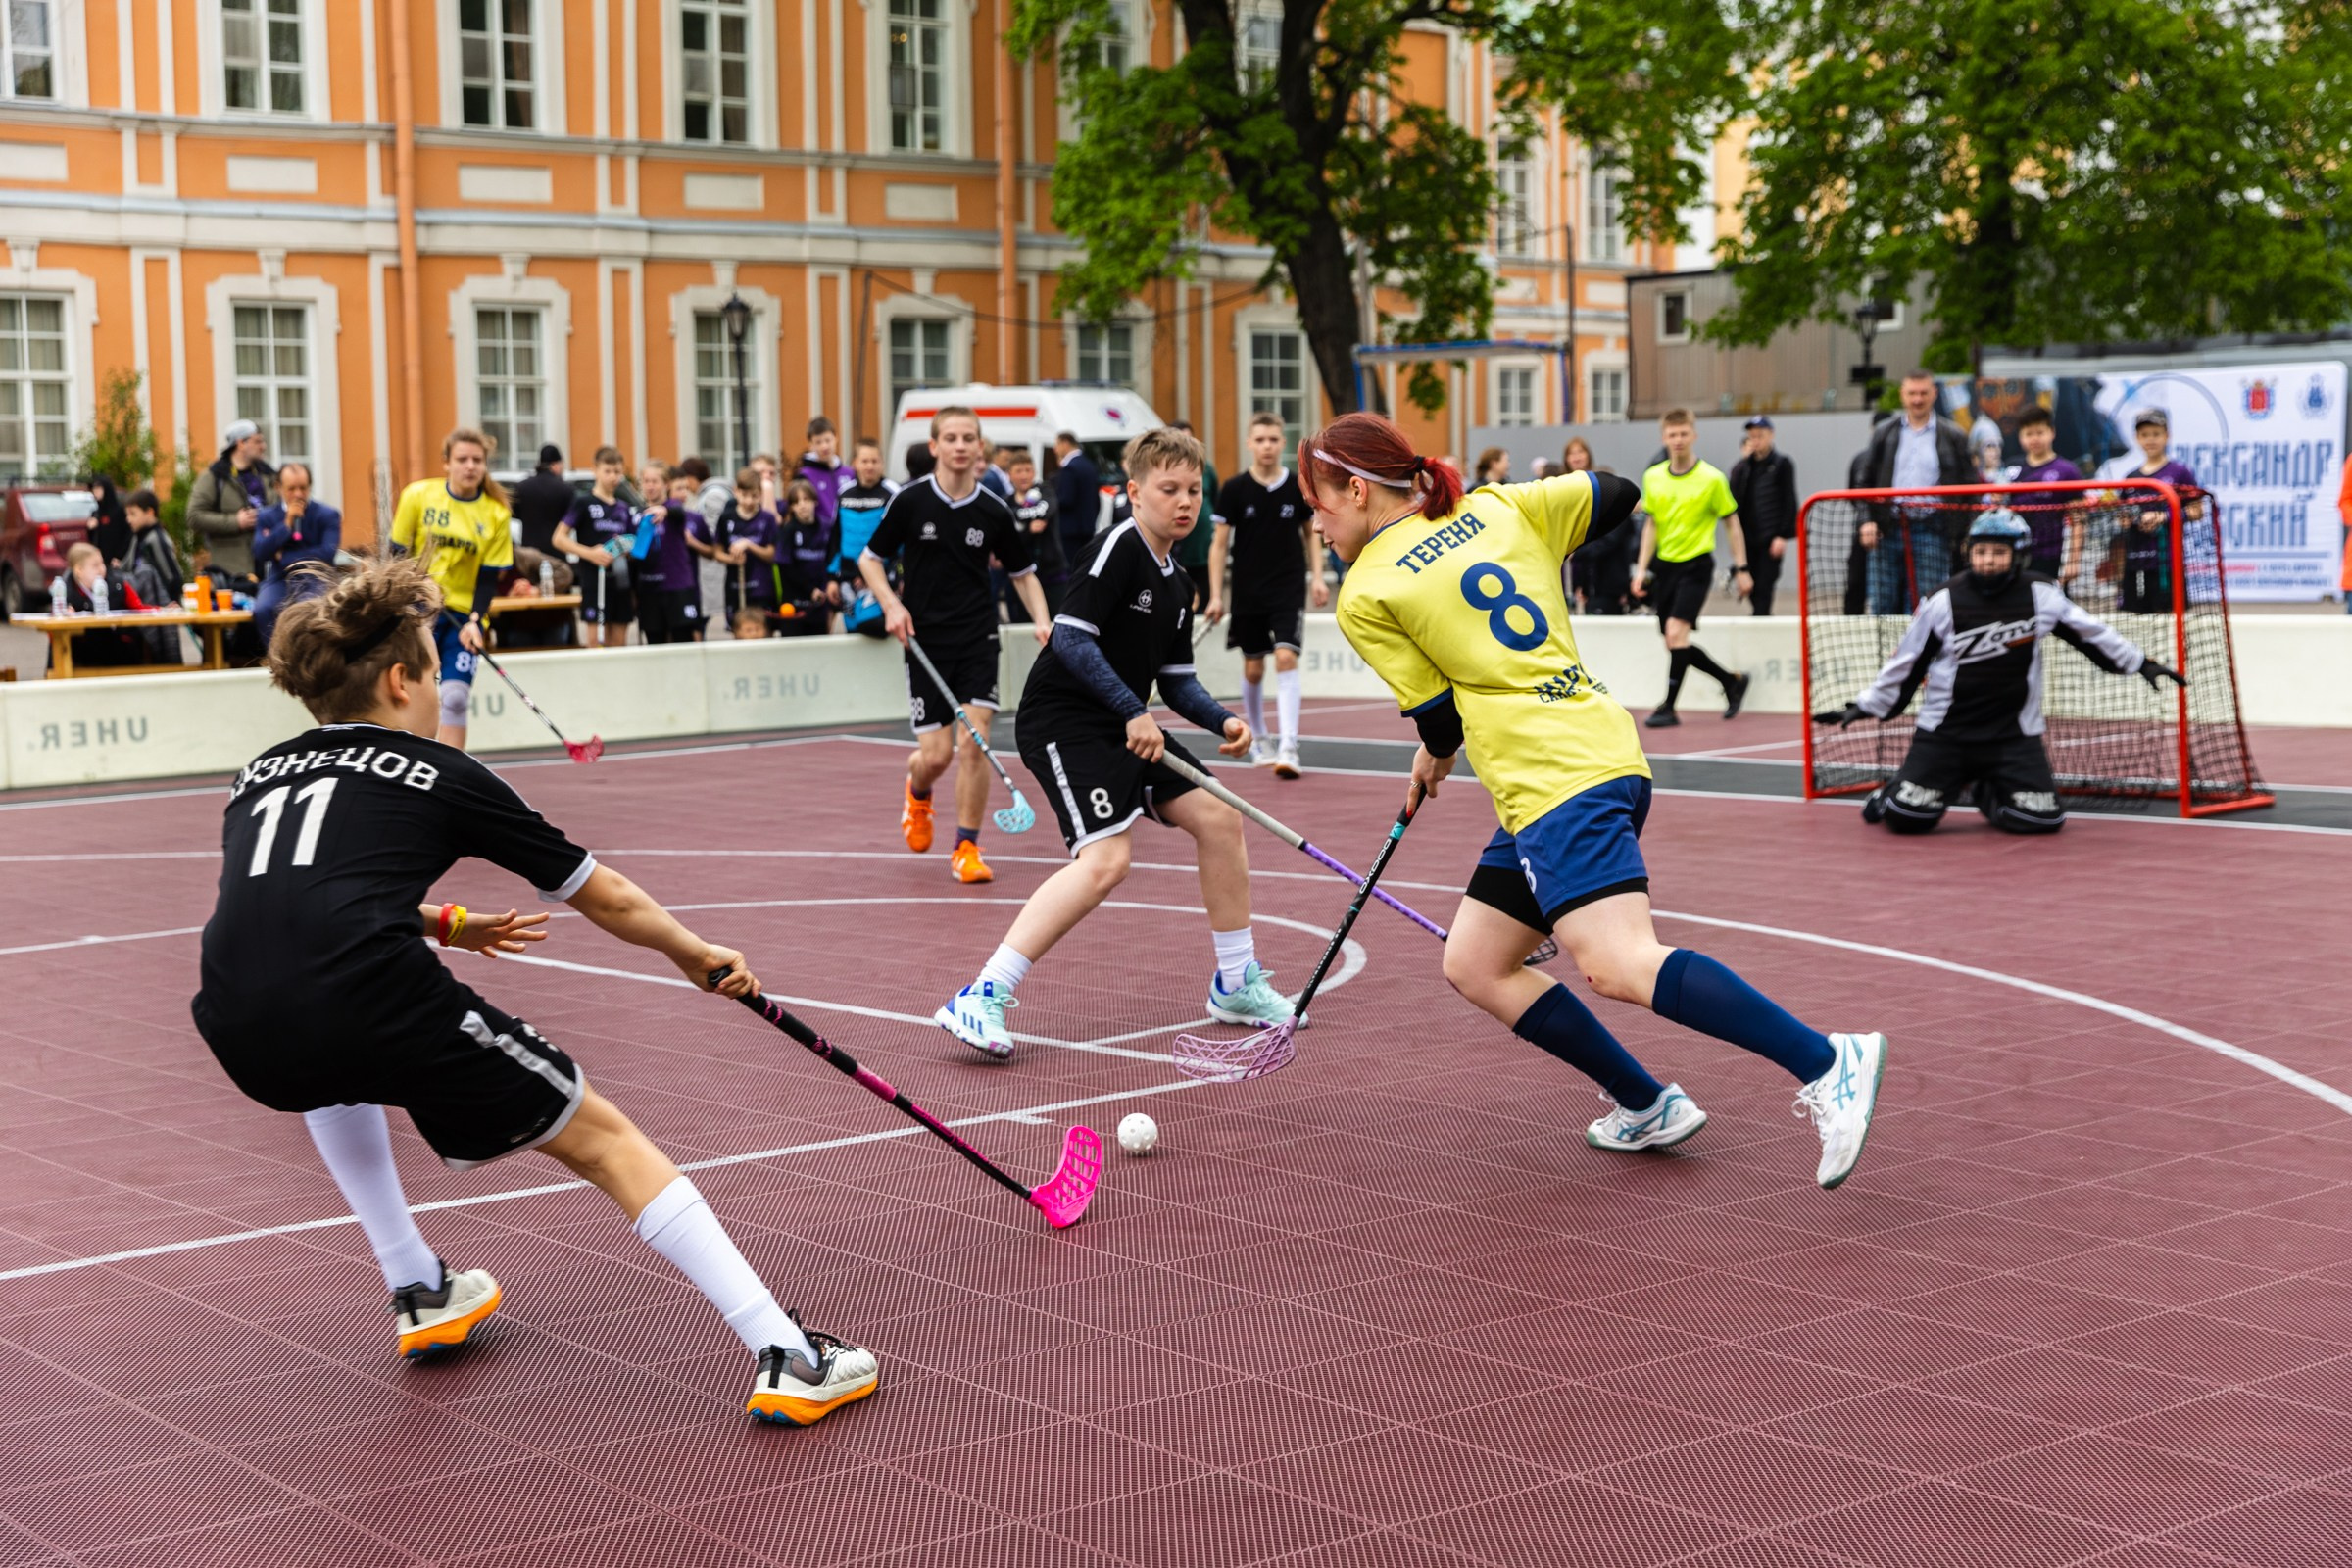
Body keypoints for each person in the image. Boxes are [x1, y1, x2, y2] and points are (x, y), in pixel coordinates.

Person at [190, 558, 875, 1422]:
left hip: (239, 1022)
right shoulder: (438, 768)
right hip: (368, 995)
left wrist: (439, 923)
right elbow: (607, 895)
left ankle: (419, 1287)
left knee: (330, 1064)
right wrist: (693, 954)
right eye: (436, 673)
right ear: (402, 682)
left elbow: (301, 895)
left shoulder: (257, 776)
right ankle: (792, 1353)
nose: (440, 692)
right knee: (607, 1142)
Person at [1307, 410, 1886, 1187]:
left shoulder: (1367, 590)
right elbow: (1616, 493)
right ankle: (1645, 1103)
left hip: (1555, 781)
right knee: (1478, 961)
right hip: (1595, 754)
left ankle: (1827, 1062)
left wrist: (1435, 754)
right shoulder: (1497, 505)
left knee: (1617, 963)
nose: (1315, 522)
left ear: (1356, 487)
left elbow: (1441, 717)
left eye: (1319, 503)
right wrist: (1534, 536)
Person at [933, 426, 1287, 1059]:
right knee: (1106, 862)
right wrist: (1132, 710)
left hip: (1124, 722)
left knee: (1219, 818)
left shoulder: (1179, 582)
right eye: (1169, 488)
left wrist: (1222, 721)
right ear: (1133, 492)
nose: (1185, 502)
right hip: (1067, 721)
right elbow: (1070, 638)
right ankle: (981, 994)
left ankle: (1235, 984)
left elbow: (1176, 682)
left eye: (1194, 490)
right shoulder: (1118, 548)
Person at [1823, 510, 2186, 835]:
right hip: (1946, 734)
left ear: (2018, 555)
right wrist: (1866, 705)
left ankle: (1985, 788)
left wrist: (2141, 662)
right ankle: (1890, 793)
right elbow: (1906, 662)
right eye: (1981, 553)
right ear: (1969, 553)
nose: (1988, 561)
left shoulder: (2041, 595)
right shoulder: (1942, 601)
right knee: (1909, 818)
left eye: (1999, 553)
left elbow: (2093, 633)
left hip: (2014, 736)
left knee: (2041, 820)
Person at [858, 407, 1053, 884]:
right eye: (951, 437)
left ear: (980, 446)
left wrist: (1044, 622)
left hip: (977, 637)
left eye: (969, 437)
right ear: (935, 445)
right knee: (936, 755)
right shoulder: (909, 502)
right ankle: (918, 790)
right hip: (924, 640)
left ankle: (966, 845)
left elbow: (1023, 575)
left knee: (975, 742)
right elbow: (870, 559)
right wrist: (891, 606)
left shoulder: (993, 510)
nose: (961, 445)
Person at [1209, 412, 1327, 777]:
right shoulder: (1233, 489)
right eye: (1260, 439)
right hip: (1247, 590)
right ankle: (1260, 737)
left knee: (1286, 658)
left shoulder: (1297, 487)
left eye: (1274, 439)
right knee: (1254, 667)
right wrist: (1216, 594)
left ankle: (1289, 745)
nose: (1267, 446)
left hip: (1288, 586)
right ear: (1250, 443)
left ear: (1283, 443)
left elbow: (1312, 533)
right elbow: (1218, 545)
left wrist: (1317, 577)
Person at [389, 428, 513, 750]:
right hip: (418, 611)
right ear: (446, 463)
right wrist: (417, 582)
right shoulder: (417, 496)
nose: (470, 466)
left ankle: (450, 771)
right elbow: (395, 556)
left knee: (455, 697)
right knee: (417, 692)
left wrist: (475, 620)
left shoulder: (496, 514)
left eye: (477, 460)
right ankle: (414, 760)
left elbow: (488, 578)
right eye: (462, 459)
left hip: (462, 616)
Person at [1633, 409, 1753, 727]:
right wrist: (1641, 569)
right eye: (1672, 435)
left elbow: (1732, 525)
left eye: (1684, 433)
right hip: (1665, 568)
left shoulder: (1712, 478)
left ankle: (1668, 707)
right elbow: (1651, 527)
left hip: (1697, 566)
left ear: (1694, 435)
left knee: (1676, 632)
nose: (1678, 440)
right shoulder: (1653, 476)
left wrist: (1742, 568)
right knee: (1673, 641)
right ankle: (1731, 681)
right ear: (1664, 438)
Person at [1854, 371, 1976, 612]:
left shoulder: (1953, 435)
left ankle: (1924, 651)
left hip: (1933, 528)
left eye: (1923, 393)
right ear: (1902, 395)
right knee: (1882, 603)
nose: (1917, 399)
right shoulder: (1884, 433)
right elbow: (1863, 482)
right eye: (1912, 393)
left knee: (1928, 603)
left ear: (1934, 394)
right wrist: (1866, 521)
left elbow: (1970, 486)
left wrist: (1966, 531)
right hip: (1886, 528)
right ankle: (1887, 651)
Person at [2101, 408, 2199, 613]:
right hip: (2135, 562)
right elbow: (2123, 517)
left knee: (2169, 616)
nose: (2151, 440)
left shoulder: (2179, 472)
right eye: (2145, 435)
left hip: (2167, 563)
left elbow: (2196, 511)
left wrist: (2163, 516)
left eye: (2156, 434)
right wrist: (2130, 518)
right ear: (2137, 438)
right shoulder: (2130, 477)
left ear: (2167, 435)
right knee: (2135, 617)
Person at [251, 462, 342, 646]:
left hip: (317, 576)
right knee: (263, 609)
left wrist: (283, 557)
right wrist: (286, 524)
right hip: (280, 578)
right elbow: (260, 551)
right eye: (291, 489)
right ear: (278, 488)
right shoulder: (267, 516)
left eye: (303, 488)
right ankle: (277, 658)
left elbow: (327, 553)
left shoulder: (327, 514)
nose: (298, 494)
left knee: (307, 609)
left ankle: (306, 661)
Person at [555, 446, 639, 647]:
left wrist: (627, 551)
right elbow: (558, 538)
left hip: (620, 582)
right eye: (607, 471)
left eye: (617, 472)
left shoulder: (623, 508)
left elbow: (632, 545)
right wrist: (590, 553)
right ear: (596, 471)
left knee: (619, 643)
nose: (613, 477)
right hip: (594, 581)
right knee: (595, 644)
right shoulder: (584, 502)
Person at [188, 419, 277, 587]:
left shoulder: (269, 476)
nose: (263, 446)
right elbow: (194, 517)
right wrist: (235, 522)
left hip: (270, 569)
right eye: (257, 441)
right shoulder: (214, 477)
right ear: (241, 443)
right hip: (231, 573)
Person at [1727, 416, 1798, 616]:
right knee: (1750, 584)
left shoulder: (1782, 463)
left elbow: (1789, 500)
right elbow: (1733, 496)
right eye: (1752, 436)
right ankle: (1760, 617)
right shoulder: (1744, 467)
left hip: (1770, 537)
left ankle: (1761, 618)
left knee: (1765, 585)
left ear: (1770, 435)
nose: (1756, 440)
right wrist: (1743, 463)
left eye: (1760, 435)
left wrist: (1783, 535)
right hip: (1748, 538)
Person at [2006, 406, 2084, 582]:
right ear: (2020, 436)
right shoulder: (2011, 469)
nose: (2034, 439)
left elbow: (2078, 519)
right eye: (2028, 433)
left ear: (2052, 432)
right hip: (2015, 555)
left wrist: (2073, 561)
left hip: (2051, 555)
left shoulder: (2067, 471)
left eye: (2040, 432)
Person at [635, 468, 711, 645]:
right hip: (649, 589)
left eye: (654, 481)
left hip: (677, 589)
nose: (650, 486)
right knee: (655, 643)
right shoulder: (638, 515)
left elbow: (677, 512)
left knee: (683, 641)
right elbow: (636, 555)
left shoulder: (673, 508)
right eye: (646, 481)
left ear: (665, 484)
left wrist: (664, 510)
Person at [834, 439, 899, 636]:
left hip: (881, 576)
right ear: (855, 463)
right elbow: (835, 538)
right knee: (853, 631)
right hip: (848, 579)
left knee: (871, 625)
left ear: (882, 463)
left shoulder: (893, 493)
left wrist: (897, 575)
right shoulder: (844, 494)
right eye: (865, 461)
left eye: (874, 461)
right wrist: (831, 578)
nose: (870, 466)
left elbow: (901, 541)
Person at [705, 466, 781, 632]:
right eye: (744, 495)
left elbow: (772, 554)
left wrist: (749, 545)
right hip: (735, 587)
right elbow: (717, 552)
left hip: (762, 588)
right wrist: (732, 559)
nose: (748, 501)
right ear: (736, 492)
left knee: (762, 631)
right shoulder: (727, 518)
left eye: (754, 496)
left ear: (760, 494)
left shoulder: (767, 519)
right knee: (740, 631)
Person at [53, 541, 150, 669]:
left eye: (102, 563)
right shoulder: (65, 592)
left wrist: (163, 610)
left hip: (119, 648)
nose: (102, 569)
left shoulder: (117, 583)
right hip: (83, 654)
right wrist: (66, 616)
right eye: (95, 565)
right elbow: (53, 630)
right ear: (79, 570)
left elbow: (139, 608)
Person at [1563, 439, 1632, 616]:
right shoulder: (1563, 491)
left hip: (1607, 581)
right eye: (1572, 453)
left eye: (1580, 452)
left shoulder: (1602, 490)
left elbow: (1608, 540)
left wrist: (1576, 551)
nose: (1576, 457)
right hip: (1586, 583)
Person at [121, 487, 187, 663]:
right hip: (142, 603)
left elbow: (172, 575)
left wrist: (172, 601)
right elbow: (127, 566)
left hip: (158, 603)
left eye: (133, 514)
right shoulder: (138, 537)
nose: (128, 520)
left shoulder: (156, 539)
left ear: (150, 512)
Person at [1004, 448, 1066, 617]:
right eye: (1019, 471)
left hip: (1052, 571)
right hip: (1021, 573)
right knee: (1023, 623)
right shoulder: (1006, 502)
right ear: (1009, 475)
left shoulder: (1045, 490)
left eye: (1028, 470)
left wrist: (1019, 517)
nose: (1024, 475)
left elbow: (1046, 510)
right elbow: (1007, 535)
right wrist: (1028, 529)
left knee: (1056, 620)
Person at [771, 478, 835, 637]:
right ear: (791, 507)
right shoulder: (788, 531)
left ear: (815, 501)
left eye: (806, 499)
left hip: (819, 602)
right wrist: (810, 590)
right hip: (794, 603)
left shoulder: (826, 528)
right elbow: (786, 567)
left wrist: (828, 585)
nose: (802, 505)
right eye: (796, 502)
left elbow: (832, 558)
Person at [1167, 419, 1219, 610]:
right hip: (1177, 549)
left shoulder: (1206, 469)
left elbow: (1214, 497)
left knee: (1204, 598)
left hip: (1202, 546)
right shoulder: (1164, 472)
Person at [511, 444, 573, 558]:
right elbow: (572, 520)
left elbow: (513, 513)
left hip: (529, 555)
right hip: (557, 554)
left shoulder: (522, 487)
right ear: (555, 464)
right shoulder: (566, 489)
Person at [1053, 431, 1101, 560]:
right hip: (1087, 526)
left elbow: (1066, 499)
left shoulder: (1070, 467)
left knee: (1071, 566)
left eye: (1057, 445)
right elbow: (1095, 499)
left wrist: (1050, 502)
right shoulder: (1089, 465)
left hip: (1071, 530)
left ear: (1065, 443)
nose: (1055, 449)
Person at [796, 418, 850, 530]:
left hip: (847, 533)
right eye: (818, 442)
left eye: (827, 440)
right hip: (820, 537)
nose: (824, 446)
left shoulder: (849, 473)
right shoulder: (805, 476)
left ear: (836, 438)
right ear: (810, 444)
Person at [87, 475, 132, 565]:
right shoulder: (96, 513)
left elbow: (128, 535)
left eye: (98, 488)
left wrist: (120, 557)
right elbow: (93, 540)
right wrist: (90, 529)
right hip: (101, 561)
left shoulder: (119, 511)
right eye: (94, 489)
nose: (95, 492)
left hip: (116, 561)